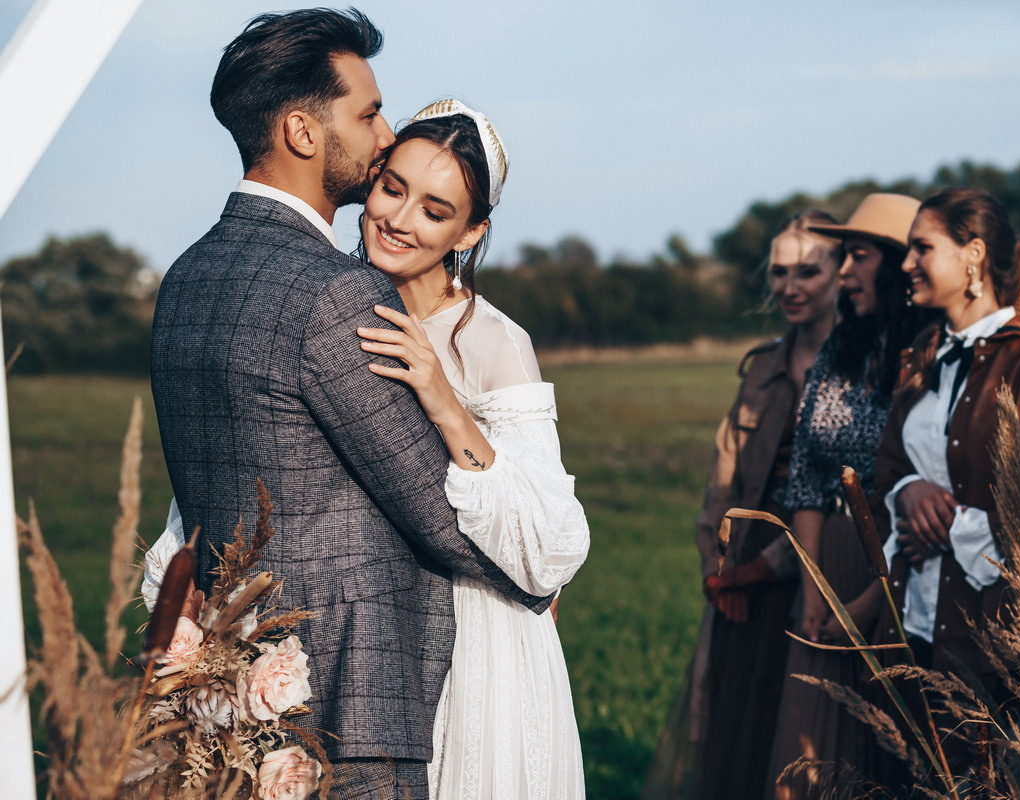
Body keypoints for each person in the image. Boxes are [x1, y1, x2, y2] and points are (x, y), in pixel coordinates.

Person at [148, 12, 552, 800]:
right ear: (302, 130)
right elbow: (437, 511)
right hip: (344, 714)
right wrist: (537, 570)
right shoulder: (334, 290)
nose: (382, 132)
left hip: (227, 702)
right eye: (366, 113)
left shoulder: (184, 280)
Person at [352, 99, 589, 799]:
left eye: (434, 208)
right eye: (391, 188)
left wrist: (441, 395)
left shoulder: (494, 340)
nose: (397, 218)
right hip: (368, 625)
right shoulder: (338, 307)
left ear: (470, 230)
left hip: (481, 641)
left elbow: (548, 545)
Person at [873, 187, 1020, 774]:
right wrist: (909, 493)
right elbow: (885, 464)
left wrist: (961, 527)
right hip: (919, 618)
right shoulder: (923, 359)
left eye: (921, 248)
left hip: (1006, 628)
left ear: (972, 255)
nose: (906, 264)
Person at [716, 194, 936, 799]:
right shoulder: (841, 350)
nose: (842, 273)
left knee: (892, 755)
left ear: (892, 264)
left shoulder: (930, 353)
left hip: (896, 568)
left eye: (855, 257)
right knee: (805, 757)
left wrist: (872, 595)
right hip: (828, 563)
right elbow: (808, 479)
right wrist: (814, 591)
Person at [640, 211, 843, 800]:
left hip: (818, 572)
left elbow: (839, 495)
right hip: (739, 580)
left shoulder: (857, 371)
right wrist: (719, 566)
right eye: (779, 272)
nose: (790, 286)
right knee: (735, 731)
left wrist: (766, 569)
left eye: (808, 270)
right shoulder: (761, 368)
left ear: (840, 273)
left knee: (800, 734)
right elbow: (722, 476)